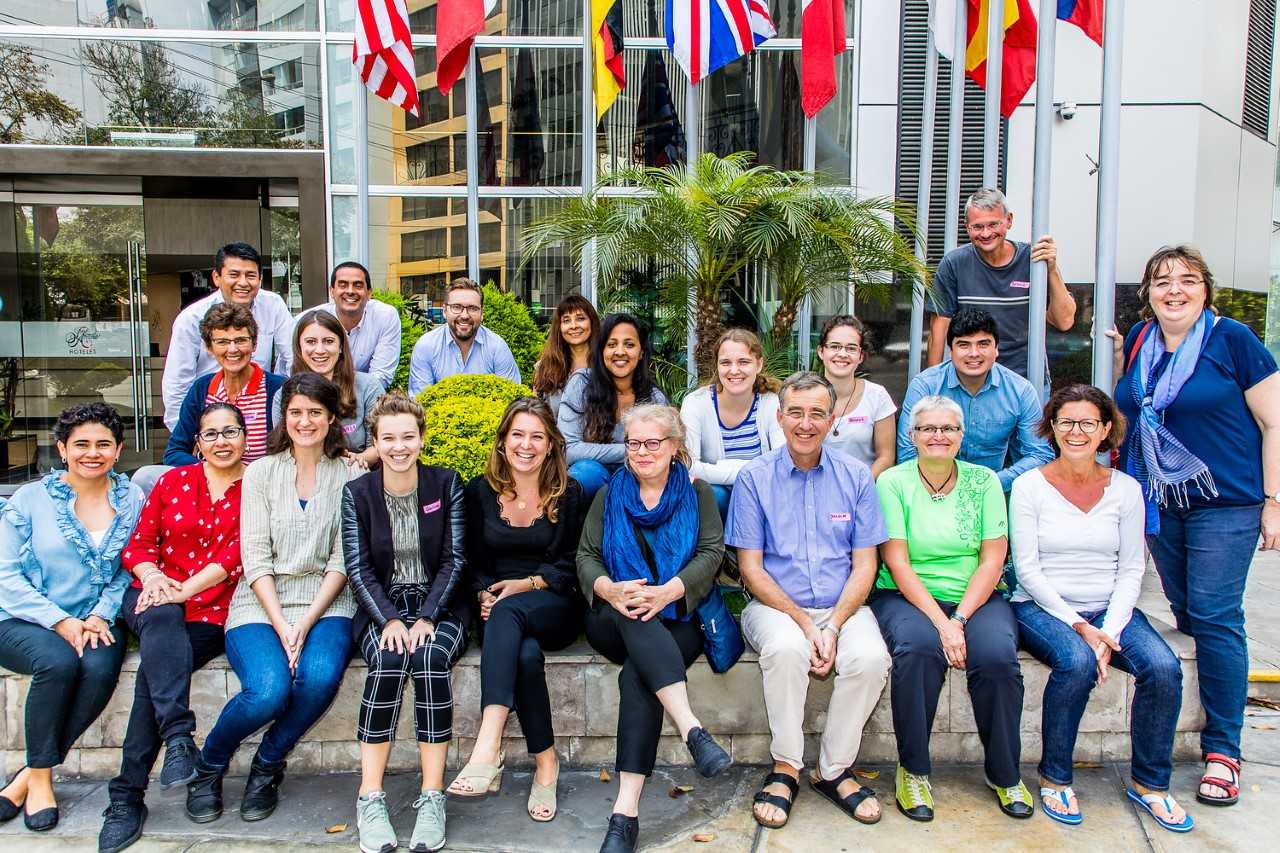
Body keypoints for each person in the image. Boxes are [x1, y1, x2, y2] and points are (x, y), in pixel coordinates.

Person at [1111, 245, 1280, 808]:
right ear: (1148, 294)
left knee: (1215, 615)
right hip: (1161, 501)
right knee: (1187, 613)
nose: (1174, 290)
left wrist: (1274, 501)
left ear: (1205, 288)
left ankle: (1224, 749)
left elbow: (1274, 421)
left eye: (1186, 280)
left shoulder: (1233, 340)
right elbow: (1131, 411)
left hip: (1225, 501)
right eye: (1162, 282)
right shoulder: (1141, 343)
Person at [1011, 385, 1190, 832]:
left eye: (1088, 422)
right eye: (1066, 422)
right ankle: (1055, 777)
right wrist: (1080, 628)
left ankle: (1150, 784)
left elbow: (1133, 568)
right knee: (1075, 663)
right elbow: (1027, 570)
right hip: (1043, 607)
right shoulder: (1029, 487)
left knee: (1164, 668)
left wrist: (1107, 629)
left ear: (1106, 429)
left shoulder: (1126, 489)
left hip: (1111, 610)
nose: (1076, 431)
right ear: (1052, 428)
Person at [185, 374, 357, 825]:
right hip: (261, 601)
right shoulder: (261, 471)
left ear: (332, 418)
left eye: (315, 412)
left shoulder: (349, 475)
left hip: (327, 602)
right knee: (268, 691)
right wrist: (282, 624)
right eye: (296, 412)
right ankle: (210, 766)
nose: (305, 421)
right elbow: (254, 556)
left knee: (318, 679)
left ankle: (267, 764)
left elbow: (342, 560)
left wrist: (305, 623)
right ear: (285, 417)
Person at [727, 372, 891, 829]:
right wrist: (804, 622)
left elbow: (865, 566)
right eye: (795, 413)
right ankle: (785, 766)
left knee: (871, 658)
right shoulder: (755, 479)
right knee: (786, 650)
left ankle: (833, 769)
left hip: (844, 606)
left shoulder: (857, 477)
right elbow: (751, 569)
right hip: (776, 607)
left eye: (817, 413)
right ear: (779, 417)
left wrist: (834, 624)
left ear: (833, 417)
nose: (805, 423)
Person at [577, 404, 732, 853]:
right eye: (633, 443)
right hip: (611, 616)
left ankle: (624, 815)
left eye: (652, 442)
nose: (642, 452)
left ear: (675, 446)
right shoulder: (609, 494)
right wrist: (611, 589)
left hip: (679, 615)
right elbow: (586, 557)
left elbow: (710, 553)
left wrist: (668, 592)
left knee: (638, 676)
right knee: (633, 615)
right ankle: (692, 730)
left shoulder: (698, 494)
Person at [871, 396, 1030, 822]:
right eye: (928, 429)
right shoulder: (892, 482)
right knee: (917, 652)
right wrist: (943, 625)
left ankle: (1005, 773)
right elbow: (896, 561)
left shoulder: (985, 482)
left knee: (997, 658)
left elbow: (993, 558)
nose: (938, 436)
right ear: (912, 436)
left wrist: (959, 618)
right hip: (906, 594)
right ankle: (913, 771)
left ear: (962, 436)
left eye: (948, 429)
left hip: (975, 595)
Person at [98, 404, 248, 853]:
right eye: (211, 434)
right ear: (197, 442)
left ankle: (127, 796)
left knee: (154, 672)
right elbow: (139, 545)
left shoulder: (258, 488)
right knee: (161, 621)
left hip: (210, 611)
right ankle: (180, 739)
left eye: (231, 432)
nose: (222, 441)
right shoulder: (171, 482)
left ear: (245, 437)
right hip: (151, 598)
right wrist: (157, 579)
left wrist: (183, 591)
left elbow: (237, 556)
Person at [0, 403, 144, 832]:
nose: (92, 453)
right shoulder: (30, 499)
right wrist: (58, 621)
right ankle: (42, 779)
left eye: (103, 444)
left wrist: (100, 614)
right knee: (58, 663)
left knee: (100, 668)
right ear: (62, 449)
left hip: (98, 619)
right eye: (80, 444)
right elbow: (4, 573)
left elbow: (129, 567)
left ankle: (25, 777)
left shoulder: (131, 497)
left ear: (118, 450)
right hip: (22, 618)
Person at [342, 392, 470, 853]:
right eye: (388, 438)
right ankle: (370, 796)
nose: (399, 447)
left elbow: (455, 561)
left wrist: (429, 616)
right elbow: (357, 568)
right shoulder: (357, 493)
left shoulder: (445, 484)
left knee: (431, 658)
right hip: (383, 604)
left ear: (421, 438)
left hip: (441, 604)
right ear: (374, 442)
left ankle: (432, 796)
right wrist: (392, 619)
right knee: (391, 661)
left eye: (408, 436)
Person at [448, 397, 586, 823]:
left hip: (553, 602)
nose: (526, 445)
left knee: (512, 615)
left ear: (550, 445)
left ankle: (486, 746)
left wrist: (527, 584)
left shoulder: (570, 492)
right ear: (503, 441)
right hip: (497, 608)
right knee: (524, 655)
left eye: (537, 437)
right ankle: (547, 763)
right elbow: (467, 557)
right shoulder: (478, 491)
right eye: (518, 435)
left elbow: (571, 563)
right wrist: (482, 595)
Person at [926, 187, 1076, 381]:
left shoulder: (1033, 260)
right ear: (966, 227)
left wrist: (1052, 269)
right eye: (978, 227)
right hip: (970, 379)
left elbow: (1064, 321)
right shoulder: (954, 263)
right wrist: (934, 386)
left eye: (993, 224)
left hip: (1026, 378)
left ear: (1009, 221)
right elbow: (938, 331)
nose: (986, 233)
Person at [899, 307, 1054, 492]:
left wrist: (992, 483)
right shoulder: (926, 386)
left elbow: (1040, 454)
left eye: (983, 344)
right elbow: (907, 452)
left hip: (995, 489)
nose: (974, 353)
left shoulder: (1020, 390)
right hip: (930, 489)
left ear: (996, 349)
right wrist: (940, 486)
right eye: (964, 345)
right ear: (951, 350)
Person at [161, 242, 292, 430]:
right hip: (211, 416)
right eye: (234, 275)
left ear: (260, 279)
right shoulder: (191, 318)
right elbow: (177, 382)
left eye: (250, 275)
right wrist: (187, 435)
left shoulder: (273, 305)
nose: (243, 283)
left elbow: (293, 355)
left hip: (259, 410)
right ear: (216, 277)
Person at [559, 313, 669, 500]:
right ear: (601, 351)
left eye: (629, 344)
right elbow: (567, 449)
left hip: (638, 478)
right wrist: (631, 449)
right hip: (591, 481)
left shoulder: (654, 399)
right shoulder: (581, 384)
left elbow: (665, 451)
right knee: (586, 472)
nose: (620, 351)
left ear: (641, 352)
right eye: (611, 344)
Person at [164, 303, 287, 466]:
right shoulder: (202, 389)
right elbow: (174, 453)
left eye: (241, 340)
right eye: (222, 342)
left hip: (263, 486)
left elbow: (291, 454)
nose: (233, 349)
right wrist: (214, 471)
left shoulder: (278, 389)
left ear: (254, 344)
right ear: (209, 347)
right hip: (212, 486)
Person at [679, 329, 785, 517]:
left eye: (743, 362)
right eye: (726, 363)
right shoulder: (696, 402)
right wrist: (752, 471)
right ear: (717, 366)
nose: (734, 370)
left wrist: (719, 469)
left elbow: (781, 463)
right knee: (711, 494)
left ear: (759, 364)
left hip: (761, 495)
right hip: (717, 497)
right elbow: (688, 465)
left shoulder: (772, 402)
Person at [272, 309, 382, 468]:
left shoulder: (368, 386)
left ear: (341, 346)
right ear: (299, 347)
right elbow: (283, 448)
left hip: (357, 475)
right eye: (310, 342)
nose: (320, 350)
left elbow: (379, 443)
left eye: (328, 341)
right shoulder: (284, 394)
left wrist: (358, 459)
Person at [280, 261, 402, 390]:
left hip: (362, 397)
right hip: (311, 393)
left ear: (369, 293)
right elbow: (290, 371)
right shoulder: (306, 322)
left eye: (358, 285)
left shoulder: (385, 317)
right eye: (343, 285)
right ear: (332, 291)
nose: (350, 291)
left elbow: (380, 377)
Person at [408, 278, 521, 395]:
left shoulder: (497, 347)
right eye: (456, 307)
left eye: (472, 308)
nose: (465, 315)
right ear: (444, 311)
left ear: (482, 313)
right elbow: (420, 402)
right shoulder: (426, 346)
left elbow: (511, 399)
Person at [817, 316, 897, 478]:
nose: (842, 354)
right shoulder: (803, 395)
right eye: (835, 346)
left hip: (863, 489)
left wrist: (859, 487)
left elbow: (886, 458)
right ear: (821, 351)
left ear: (861, 356)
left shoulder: (877, 396)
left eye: (851, 348)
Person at [532, 293, 600, 415]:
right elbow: (537, 416)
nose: (573, 326)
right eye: (566, 320)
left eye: (580, 318)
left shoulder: (606, 364)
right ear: (559, 327)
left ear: (591, 322)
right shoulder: (545, 368)